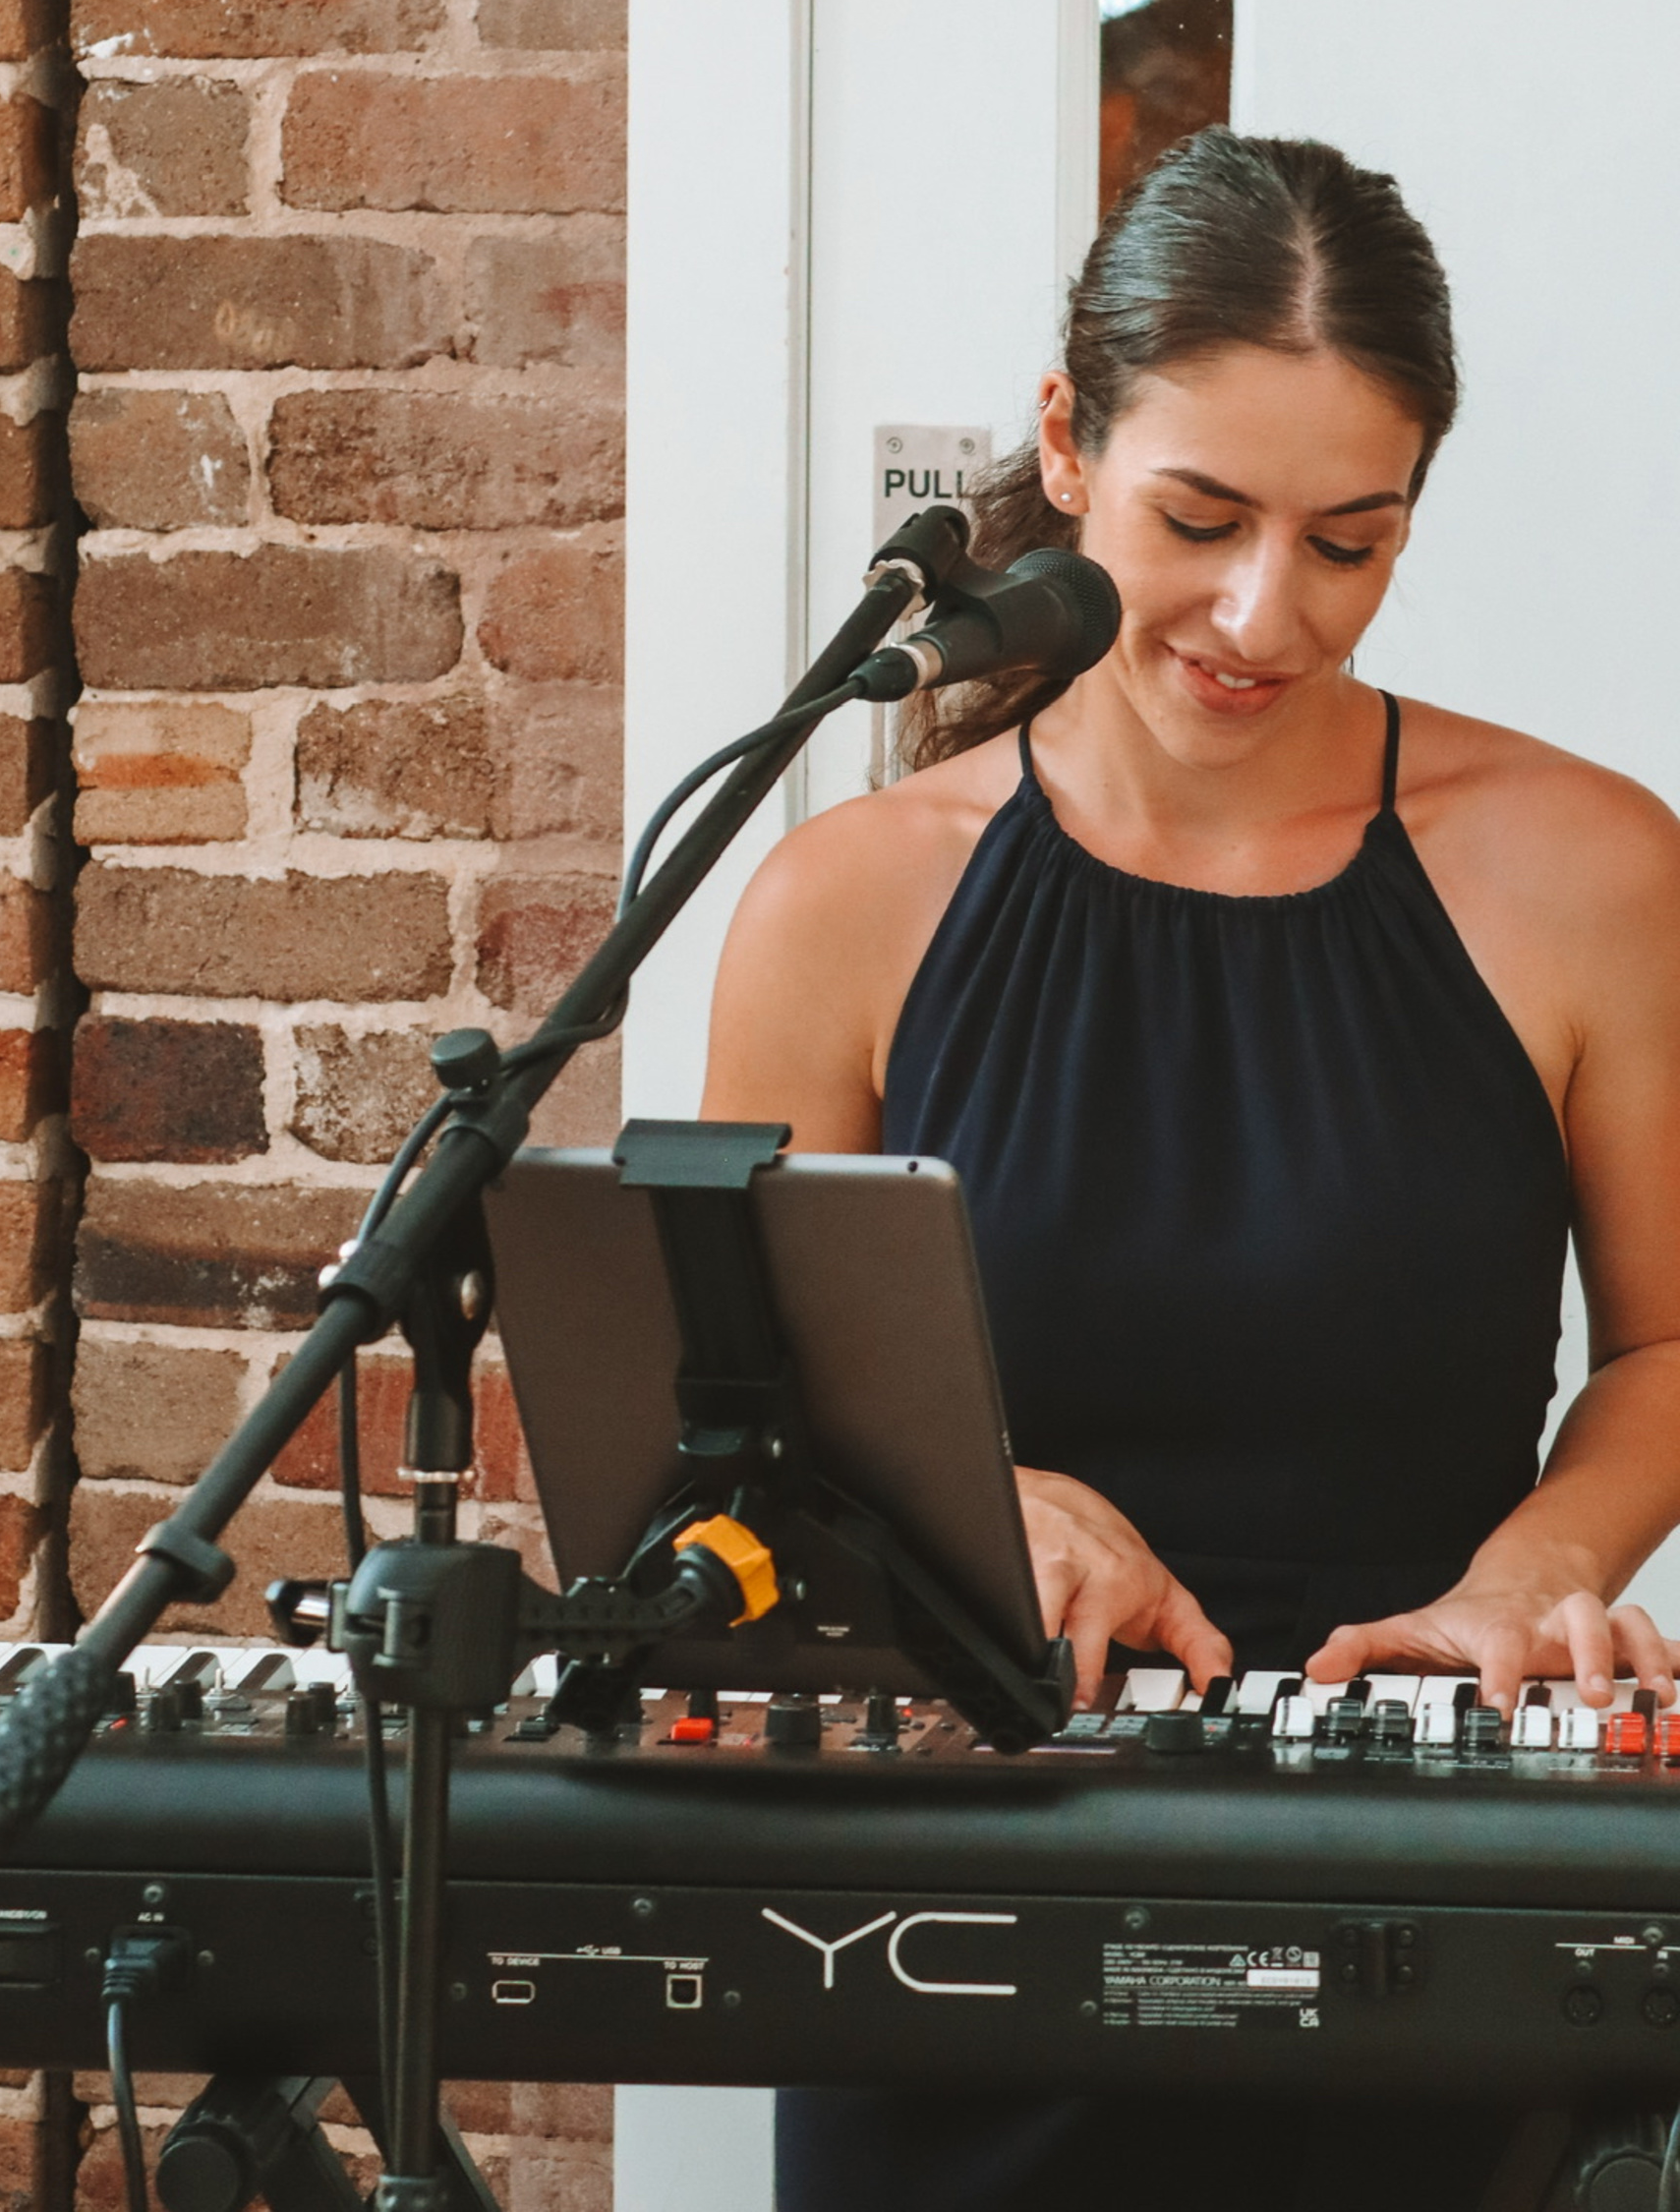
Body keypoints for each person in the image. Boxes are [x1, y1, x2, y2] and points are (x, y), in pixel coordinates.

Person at [703, 130, 1680, 2212]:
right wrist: (982, 1502)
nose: (1264, 614)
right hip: (954, 1905)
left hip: (1430, 1880)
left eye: (1351, 541)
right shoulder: (842, 900)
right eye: (1202, 519)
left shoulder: (1591, 871)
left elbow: (1673, 1344)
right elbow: (735, 1425)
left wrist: (1536, 1573)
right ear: (1065, 445)